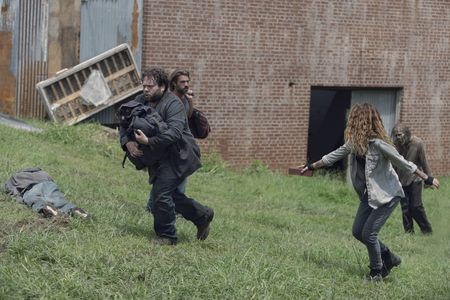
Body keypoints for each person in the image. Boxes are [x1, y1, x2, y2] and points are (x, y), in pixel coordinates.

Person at [300, 103, 440, 281]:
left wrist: (428, 178)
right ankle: (389, 257)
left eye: (355, 119)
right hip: (370, 194)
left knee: (369, 234)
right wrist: (310, 166)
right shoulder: (354, 144)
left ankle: (377, 272)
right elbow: (332, 156)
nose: (353, 122)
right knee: (358, 231)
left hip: (388, 195)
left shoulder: (380, 145)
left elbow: (404, 163)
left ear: (362, 122)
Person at [119, 67, 214, 245]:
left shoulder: (173, 104)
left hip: (178, 155)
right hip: (157, 157)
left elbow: (174, 133)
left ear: (162, 87)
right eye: (144, 85)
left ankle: (167, 236)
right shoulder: (140, 100)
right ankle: (203, 215)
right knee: (168, 196)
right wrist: (127, 142)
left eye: (151, 86)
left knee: (161, 196)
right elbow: (124, 122)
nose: (146, 89)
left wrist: (148, 141)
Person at [392, 123, 433, 234]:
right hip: (401, 180)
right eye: (396, 135)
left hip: (416, 178)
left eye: (400, 135)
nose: (398, 138)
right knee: (405, 208)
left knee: (416, 206)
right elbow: (393, 164)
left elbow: (424, 163)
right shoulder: (395, 144)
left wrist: (429, 179)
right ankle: (409, 232)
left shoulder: (417, 143)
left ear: (406, 133)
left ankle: (427, 230)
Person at [4, 167, 90, 219]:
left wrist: (21, 199)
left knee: (34, 199)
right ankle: (76, 210)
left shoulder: (14, 178)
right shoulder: (41, 172)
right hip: (48, 184)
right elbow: (51, 180)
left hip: (30, 188)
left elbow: (12, 192)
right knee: (58, 200)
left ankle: (46, 207)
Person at [169, 69, 195, 195]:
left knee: (182, 176)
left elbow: (187, 117)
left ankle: (177, 207)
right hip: (171, 143)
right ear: (174, 83)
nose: (186, 84)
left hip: (183, 144)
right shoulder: (169, 99)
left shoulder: (184, 98)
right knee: (167, 178)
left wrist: (190, 101)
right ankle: (154, 206)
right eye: (182, 82)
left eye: (187, 82)